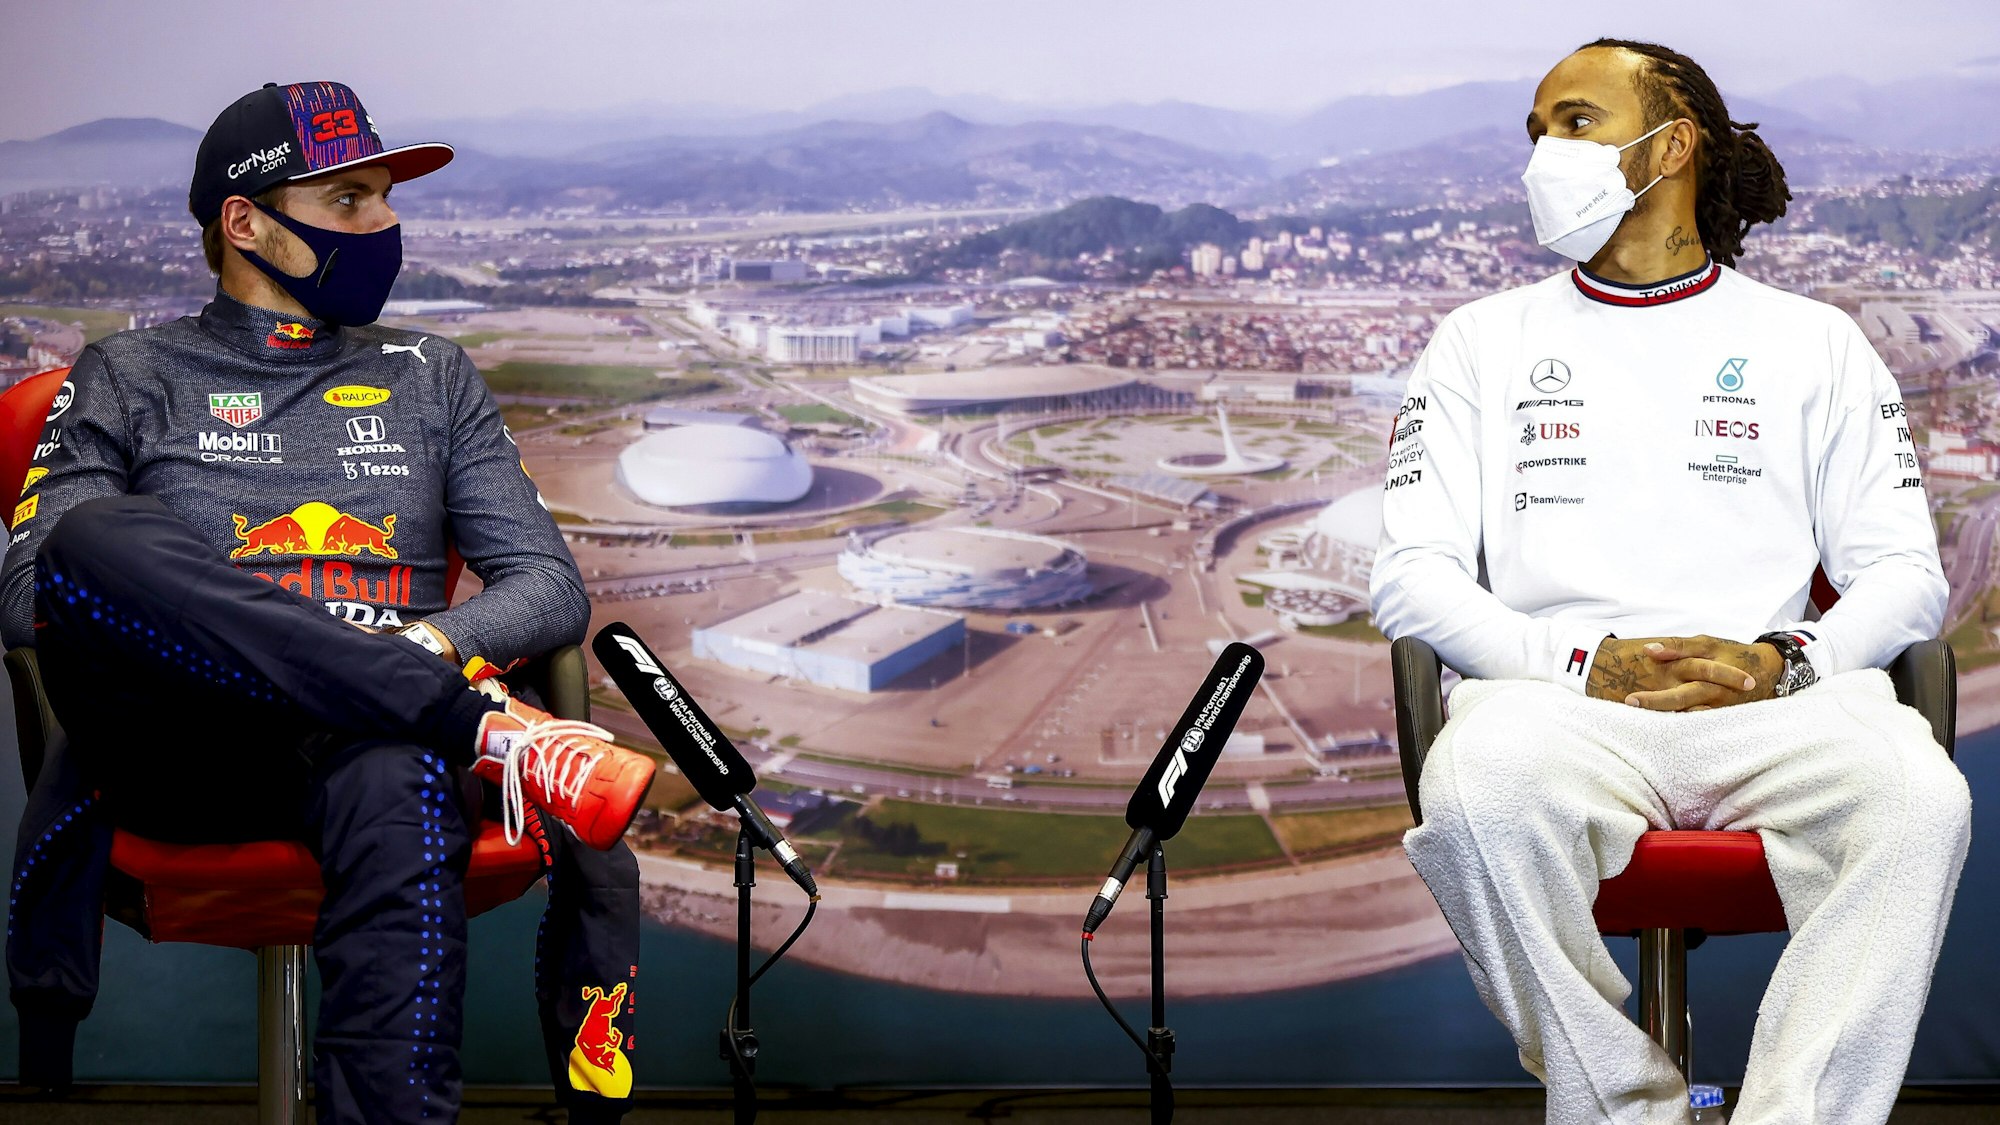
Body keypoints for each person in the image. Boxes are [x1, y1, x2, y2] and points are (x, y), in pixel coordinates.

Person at [4, 82, 655, 1124]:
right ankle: (479, 731)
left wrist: (431, 646)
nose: (386, 225)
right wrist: (425, 688)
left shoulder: (432, 375)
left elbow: (546, 589)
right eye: (350, 201)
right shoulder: (126, 372)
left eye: (387, 200)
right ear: (245, 221)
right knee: (90, 538)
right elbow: (37, 592)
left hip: (382, 742)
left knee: (395, 763)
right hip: (190, 741)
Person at [1370, 39, 1969, 1125]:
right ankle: (1618, 1108)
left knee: (1921, 799)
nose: (1544, 151)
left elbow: (1902, 578)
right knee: (1471, 792)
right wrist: (1577, 661)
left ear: (1671, 146)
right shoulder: (1476, 343)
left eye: (1576, 122)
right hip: (1556, 706)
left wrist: (1790, 658)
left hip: (1770, 703)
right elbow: (1410, 579)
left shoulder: (1814, 345)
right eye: (1536, 129)